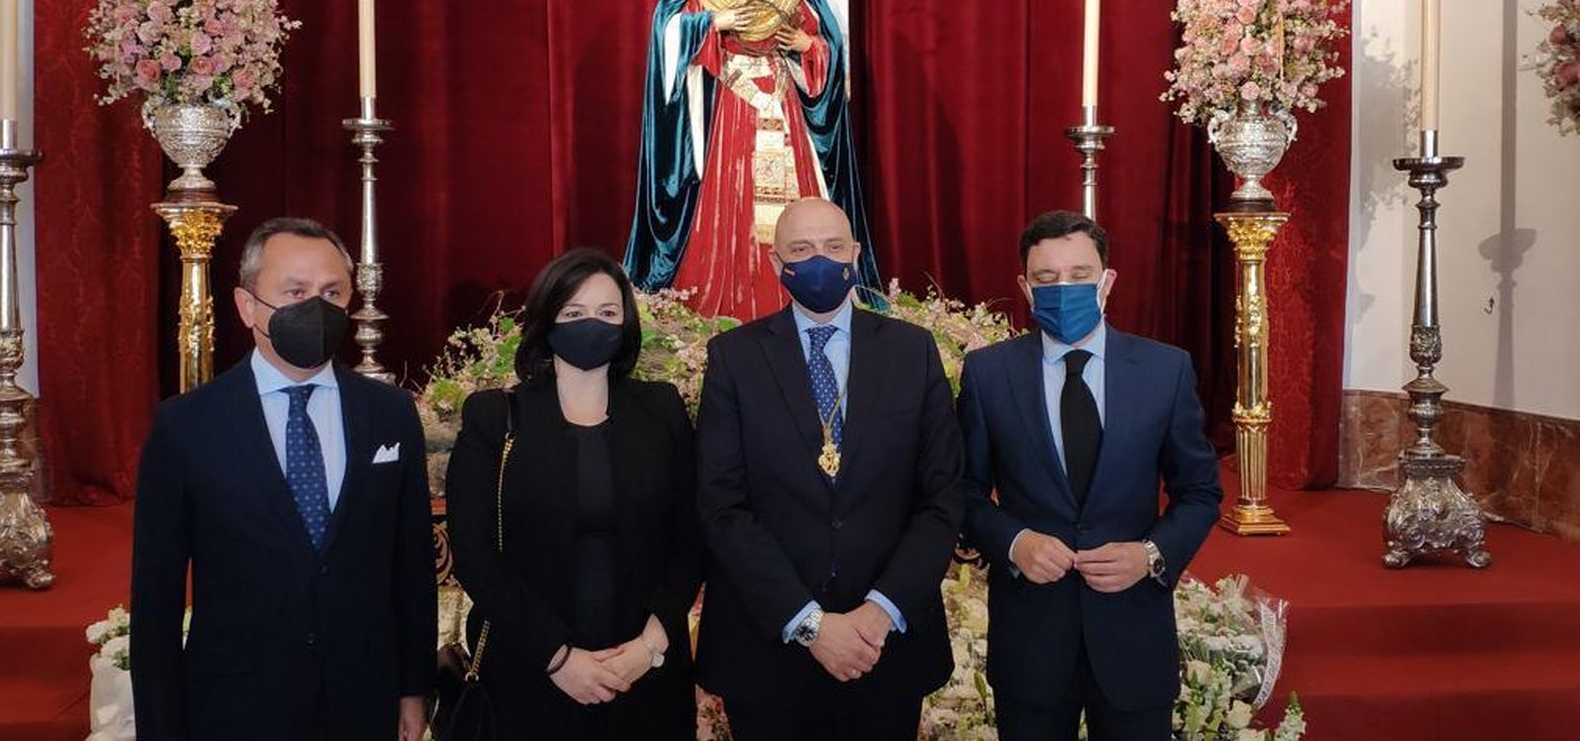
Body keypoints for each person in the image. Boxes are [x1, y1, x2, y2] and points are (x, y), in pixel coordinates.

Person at [130, 217, 436, 741]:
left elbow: (411, 566)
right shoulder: (186, 425)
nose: (314, 308)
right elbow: (154, 600)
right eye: (294, 292)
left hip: (362, 698)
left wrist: (415, 689)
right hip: (235, 704)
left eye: (331, 292)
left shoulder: (390, 414)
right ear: (247, 305)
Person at [695, 197, 962, 740]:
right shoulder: (734, 357)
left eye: (834, 247)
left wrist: (879, 612)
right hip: (769, 644)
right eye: (801, 249)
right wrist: (810, 624)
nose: (820, 260)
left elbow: (943, 496)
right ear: (777, 265)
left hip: (884, 643)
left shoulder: (914, 351)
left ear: (856, 254)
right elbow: (722, 505)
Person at [958, 211, 1223, 741]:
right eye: (1046, 279)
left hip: (1134, 637)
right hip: (1031, 640)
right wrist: (1013, 542)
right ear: (1025, 288)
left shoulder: (1165, 370)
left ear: (1107, 281)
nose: (1064, 290)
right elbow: (960, 491)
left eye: (1079, 275)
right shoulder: (989, 373)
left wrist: (1150, 554)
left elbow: (1199, 492)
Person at [445, 248, 702, 740]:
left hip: (645, 673)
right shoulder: (494, 417)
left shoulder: (662, 410)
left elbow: (690, 537)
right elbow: (477, 554)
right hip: (528, 672)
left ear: (626, 323)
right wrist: (556, 656)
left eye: (607, 313)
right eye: (574, 313)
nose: (593, 325)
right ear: (547, 320)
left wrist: (649, 644)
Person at [624, 0, 881, 321]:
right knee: (732, 195)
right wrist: (712, 23)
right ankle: (729, 298)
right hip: (733, 104)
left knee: (792, 196)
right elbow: (667, 31)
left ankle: (796, 297)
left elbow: (826, 45)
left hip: (782, 105)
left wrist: (807, 47)